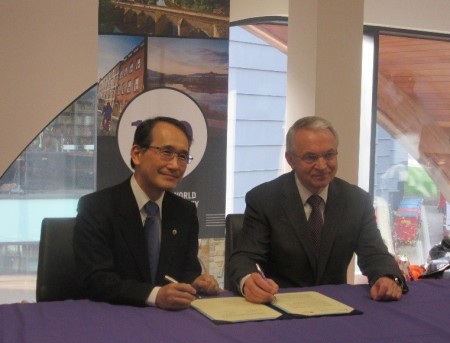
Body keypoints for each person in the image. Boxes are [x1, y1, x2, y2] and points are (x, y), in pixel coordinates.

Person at [228, 116, 408, 304]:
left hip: (337, 308)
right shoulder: (264, 199)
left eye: (329, 155)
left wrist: (386, 277)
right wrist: (249, 280)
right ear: (290, 159)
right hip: (281, 307)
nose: (322, 166)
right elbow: (245, 257)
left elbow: (375, 254)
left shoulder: (356, 201)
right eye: (311, 157)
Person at [73, 116, 219, 309]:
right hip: (113, 319)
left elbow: (187, 270)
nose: (175, 165)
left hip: (169, 322)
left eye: (183, 156)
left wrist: (195, 282)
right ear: (137, 154)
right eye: (167, 152)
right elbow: (96, 280)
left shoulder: (185, 212)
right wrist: (155, 295)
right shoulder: (97, 207)